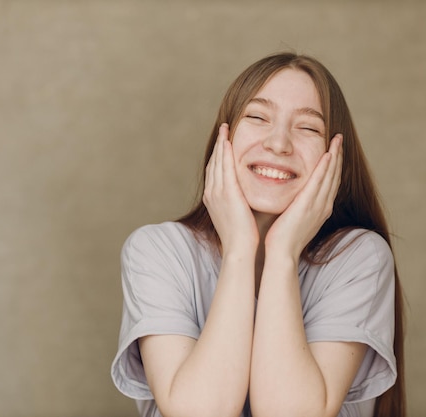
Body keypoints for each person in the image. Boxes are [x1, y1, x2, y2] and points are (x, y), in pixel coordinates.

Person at [111, 52, 406, 417]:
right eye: (257, 117)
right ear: (224, 138)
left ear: (335, 158)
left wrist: (281, 253)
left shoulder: (358, 257)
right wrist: (239, 248)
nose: (278, 143)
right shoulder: (157, 250)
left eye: (308, 128)